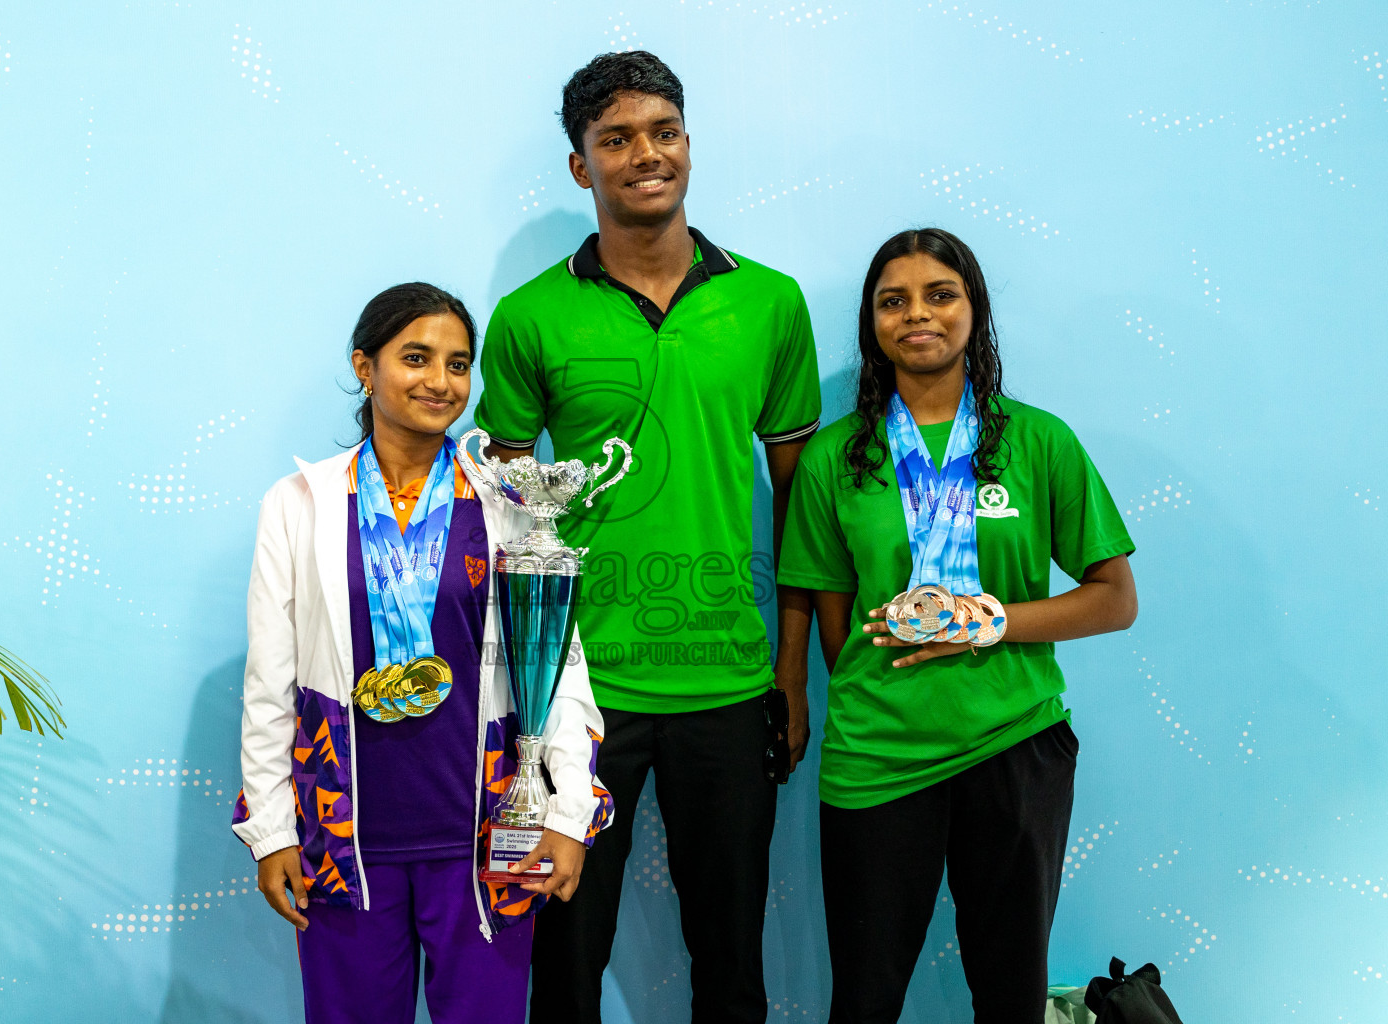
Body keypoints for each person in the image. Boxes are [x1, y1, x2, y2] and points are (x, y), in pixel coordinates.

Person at [473, 50, 822, 1024]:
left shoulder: (771, 304)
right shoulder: (529, 317)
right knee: (564, 963)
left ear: (689, 145)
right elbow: (502, 513)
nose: (646, 154)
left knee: (733, 963)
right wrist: (520, 695)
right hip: (579, 694)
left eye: (663, 132)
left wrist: (791, 672)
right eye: (617, 139)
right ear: (580, 165)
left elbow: (801, 507)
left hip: (729, 680)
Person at [776, 228, 1139, 1024]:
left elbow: (1114, 599)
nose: (917, 314)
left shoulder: (1038, 440)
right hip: (877, 756)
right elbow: (834, 627)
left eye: (940, 295)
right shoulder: (837, 457)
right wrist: (889, 693)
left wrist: (990, 622)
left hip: (1012, 744)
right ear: (873, 323)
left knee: (1010, 999)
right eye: (893, 301)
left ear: (974, 311)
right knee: (864, 1001)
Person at [231, 282, 613, 1024]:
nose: (441, 381)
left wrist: (570, 812)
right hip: (344, 837)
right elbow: (270, 683)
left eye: (458, 364)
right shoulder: (299, 504)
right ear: (364, 367)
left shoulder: (506, 505)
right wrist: (273, 831)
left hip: (487, 834)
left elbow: (559, 670)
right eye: (416, 358)